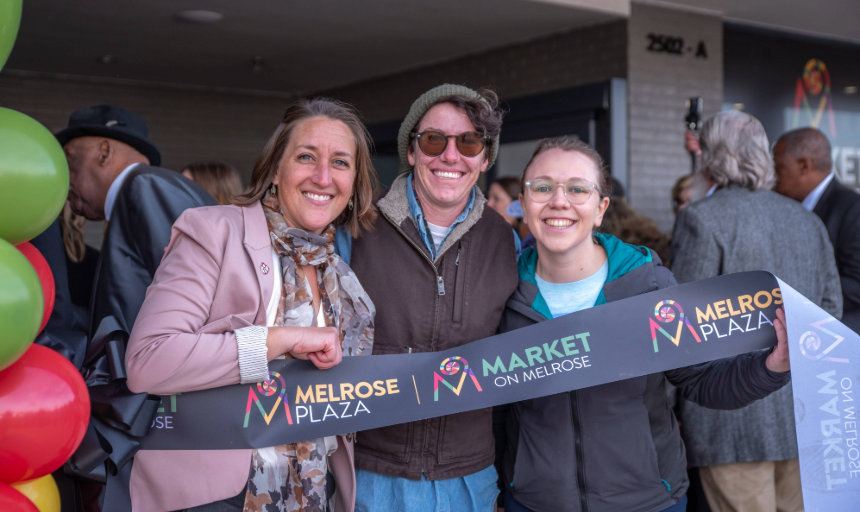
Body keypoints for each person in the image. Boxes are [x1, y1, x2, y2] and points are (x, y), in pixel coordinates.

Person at [493, 136, 792, 512]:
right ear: (523, 202)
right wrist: (503, 491)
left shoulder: (647, 285)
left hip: (647, 500)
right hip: (535, 502)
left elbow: (699, 381)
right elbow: (495, 407)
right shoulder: (502, 291)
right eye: (542, 187)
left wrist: (771, 367)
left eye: (577, 189)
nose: (558, 200)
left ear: (600, 207)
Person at [125, 98, 378, 512]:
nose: (322, 176)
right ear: (276, 170)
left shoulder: (341, 274)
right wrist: (277, 340)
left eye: (340, 163)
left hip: (313, 494)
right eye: (306, 157)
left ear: (354, 184)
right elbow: (148, 360)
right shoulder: (214, 231)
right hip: (217, 495)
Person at [343, 84, 518, 512]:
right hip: (371, 472)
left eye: (469, 142)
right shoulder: (353, 227)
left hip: (469, 478)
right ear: (412, 151)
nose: (451, 156)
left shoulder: (505, 240)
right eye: (434, 140)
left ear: (484, 157)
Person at [671, 111, 842, 512]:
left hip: (729, 419)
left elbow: (680, 329)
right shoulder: (806, 219)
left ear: (709, 158)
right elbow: (830, 310)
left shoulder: (701, 218)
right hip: (804, 414)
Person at [56, 104, 217, 509]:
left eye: (70, 163)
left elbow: (196, 311)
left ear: (105, 153)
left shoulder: (146, 188)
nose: (63, 180)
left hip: (157, 423)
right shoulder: (148, 191)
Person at [774, 127, 860, 332]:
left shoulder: (853, 209)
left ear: (804, 166)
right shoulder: (785, 207)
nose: (773, 176)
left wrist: (793, 299)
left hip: (837, 335)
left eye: (778, 167)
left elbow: (857, 283)